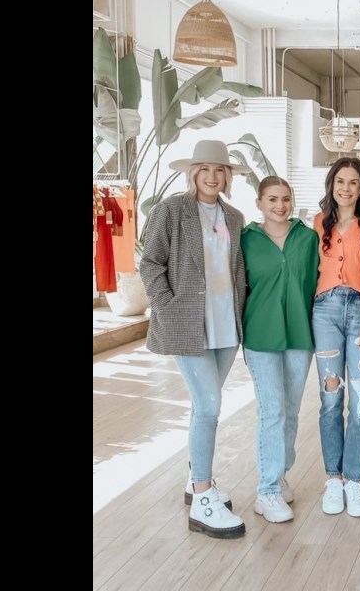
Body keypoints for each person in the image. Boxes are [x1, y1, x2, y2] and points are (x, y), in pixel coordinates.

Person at [139, 140, 251, 540]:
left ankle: (193, 479)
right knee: (209, 405)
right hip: (186, 324)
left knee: (204, 406)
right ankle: (203, 497)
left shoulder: (234, 217)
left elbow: (236, 270)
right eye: (204, 168)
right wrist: (166, 305)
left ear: (227, 176)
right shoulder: (170, 210)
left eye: (219, 170)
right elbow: (149, 262)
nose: (212, 176)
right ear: (193, 173)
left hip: (225, 328)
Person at [312, 157, 360, 517]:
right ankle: (333, 478)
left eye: (353, 183)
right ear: (332, 185)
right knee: (331, 400)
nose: (345, 188)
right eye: (340, 181)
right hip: (324, 312)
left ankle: (354, 481)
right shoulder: (318, 224)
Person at [240, 177, 319, 523]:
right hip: (260, 336)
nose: (280, 206)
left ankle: (280, 472)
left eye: (286, 199)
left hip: (300, 335)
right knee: (271, 410)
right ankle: (267, 490)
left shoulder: (308, 237)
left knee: (289, 409)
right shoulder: (246, 241)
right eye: (272, 199)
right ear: (259, 202)